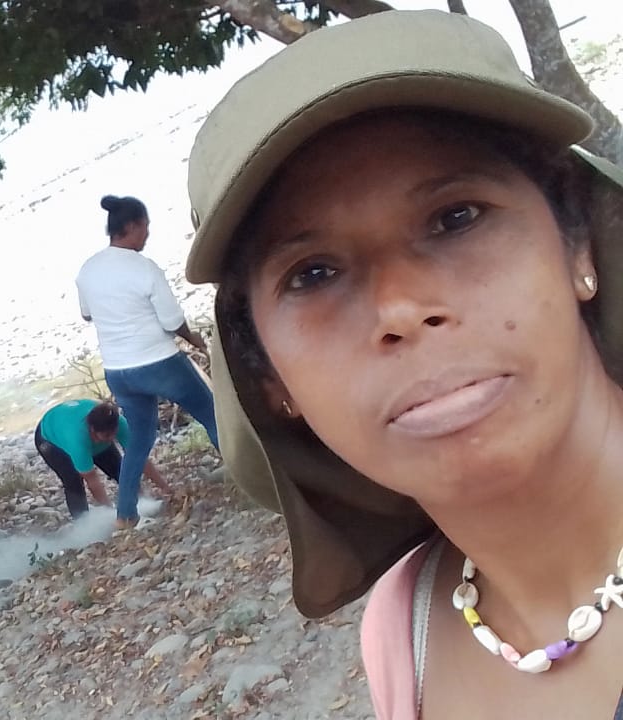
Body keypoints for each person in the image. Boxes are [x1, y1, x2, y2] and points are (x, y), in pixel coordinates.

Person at [187, 9, 623, 719]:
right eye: (314, 273)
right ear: (269, 379)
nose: (400, 307)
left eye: (457, 218)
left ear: (577, 246)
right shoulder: (403, 630)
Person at [76, 195, 220, 527]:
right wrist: (195, 340)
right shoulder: (144, 268)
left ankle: (125, 514)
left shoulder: (88, 270)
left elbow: (86, 314)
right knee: (212, 413)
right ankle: (252, 476)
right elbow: (172, 321)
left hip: (118, 370)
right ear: (133, 226)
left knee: (139, 441)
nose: (148, 234)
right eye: (146, 227)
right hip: (158, 362)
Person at [35, 399, 170, 518]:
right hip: (49, 439)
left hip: (77, 426)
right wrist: (111, 512)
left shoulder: (120, 424)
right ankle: (82, 522)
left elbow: (139, 458)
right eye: (106, 436)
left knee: (120, 469)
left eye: (114, 434)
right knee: (73, 480)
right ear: (92, 430)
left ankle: (142, 502)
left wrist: (164, 487)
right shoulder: (77, 440)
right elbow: (92, 480)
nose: (111, 439)